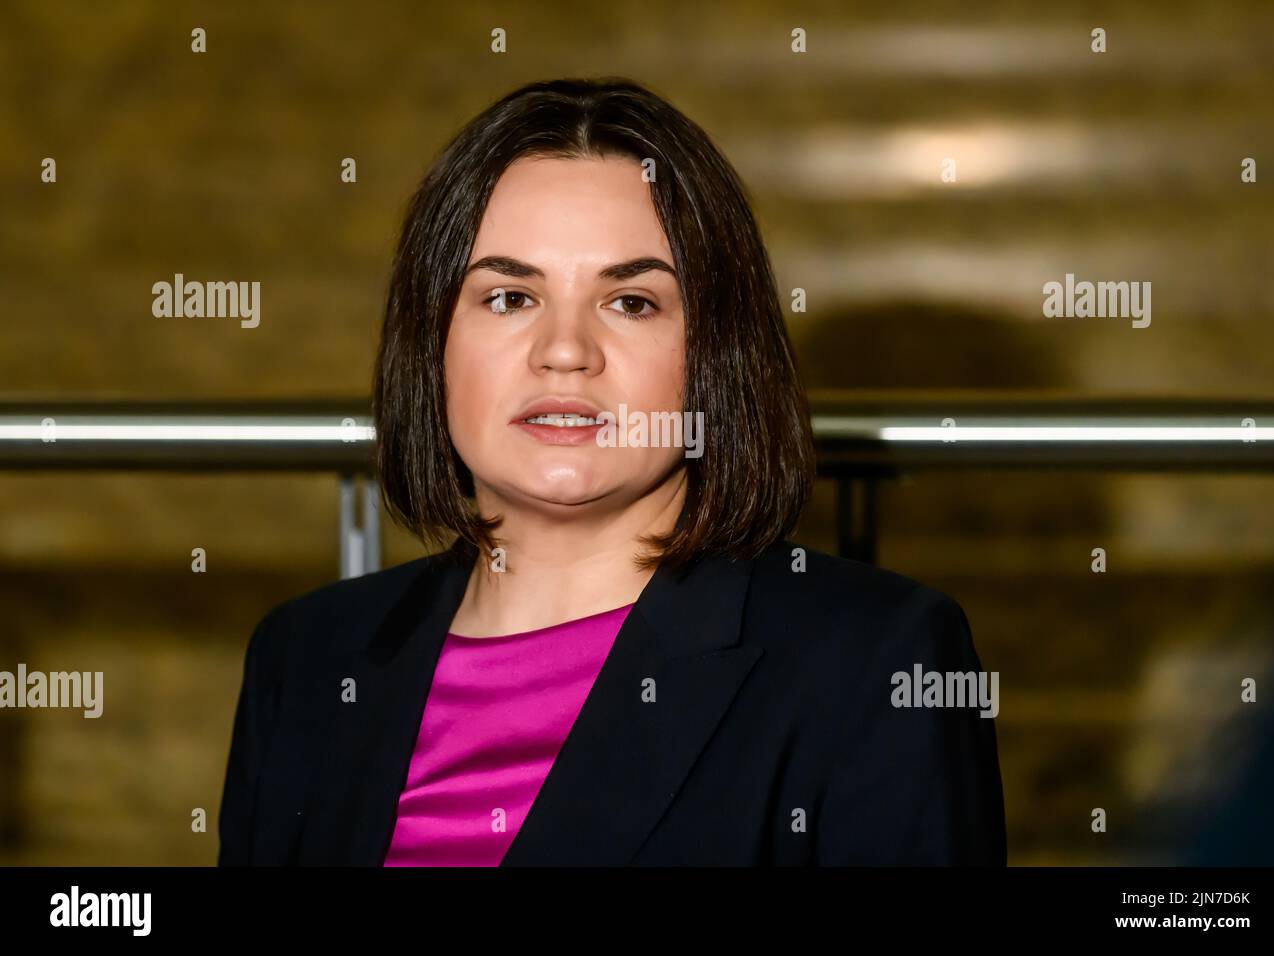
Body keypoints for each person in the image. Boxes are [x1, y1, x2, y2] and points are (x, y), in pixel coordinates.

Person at [217, 76, 1006, 866]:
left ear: (714, 356)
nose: (565, 350)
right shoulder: (308, 658)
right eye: (508, 297)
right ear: (433, 345)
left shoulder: (872, 660)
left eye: (630, 302)